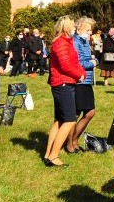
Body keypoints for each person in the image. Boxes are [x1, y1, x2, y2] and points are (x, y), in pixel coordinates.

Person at [44, 16, 87, 167]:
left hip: (66, 83)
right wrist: (79, 74)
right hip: (62, 84)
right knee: (69, 120)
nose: (75, 29)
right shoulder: (61, 43)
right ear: (66, 27)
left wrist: (82, 73)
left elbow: (74, 62)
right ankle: (53, 155)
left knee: (60, 120)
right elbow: (65, 65)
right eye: (73, 27)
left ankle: (48, 153)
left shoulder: (67, 42)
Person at [67, 16, 99, 154]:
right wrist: (92, 63)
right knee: (75, 114)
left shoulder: (85, 41)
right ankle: (70, 143)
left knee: (90, 112)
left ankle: (74, 138)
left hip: (87, 80)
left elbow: (90, 57)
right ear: (78, 28)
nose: (90, 32)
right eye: (88, 29)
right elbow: (77, 62)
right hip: (79, 80)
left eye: (91, 30)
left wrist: (94, 60)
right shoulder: (75, 41)